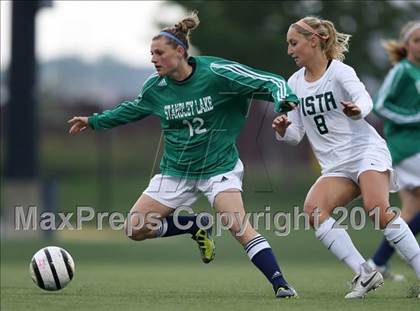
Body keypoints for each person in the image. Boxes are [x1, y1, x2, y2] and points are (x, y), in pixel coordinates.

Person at [68, 12, 298, 298]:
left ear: (180, 51)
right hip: (175, 172)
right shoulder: (156, 87)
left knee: (239, 227)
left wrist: (283, 99)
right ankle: (195, 224)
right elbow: (130, 110)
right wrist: (93, 121)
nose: (153, 59)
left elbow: (267, 80)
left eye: (159, 53)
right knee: (135, 228)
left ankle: (280, 284)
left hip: (218, 169)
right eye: (151, 53)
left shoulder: (216, 73)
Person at [272, 16, 420, 299]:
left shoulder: (339, 71)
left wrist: (358, 110)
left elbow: (365, 99)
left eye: (294, 43)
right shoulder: (293, 83)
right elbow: (295, 136)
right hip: (336, 166)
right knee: (314, 210)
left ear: (313, 41)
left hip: (366, 152)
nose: (289, 50)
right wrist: (283, 129)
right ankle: (365, 273)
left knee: (376, 208)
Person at [368, 21, 420, 282]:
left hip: (416, 146)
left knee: (410, 211)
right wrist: (415, 118)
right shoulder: (402, 70)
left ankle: (377, 262)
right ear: (406, 44)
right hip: (406, 147)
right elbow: (380, 105)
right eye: (417, 40)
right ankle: (410, 255)